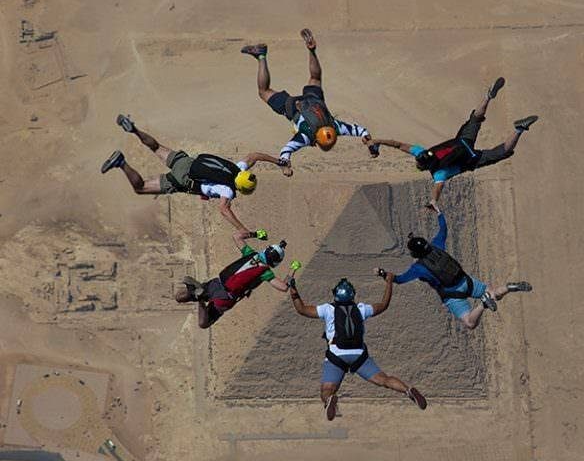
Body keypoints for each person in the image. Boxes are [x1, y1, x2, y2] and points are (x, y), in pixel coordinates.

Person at [100, 114, 291, 236]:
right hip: (183, 179)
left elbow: (254, 156)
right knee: (141, 187)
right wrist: (242, 229)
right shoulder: (227, 190)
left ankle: (133, 129)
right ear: (241, 189)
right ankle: (121, 162)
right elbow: (224, 210)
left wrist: (279, 162)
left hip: (187, 161)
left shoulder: (238, 168)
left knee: (156, 147)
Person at [370, 77, 538, 204]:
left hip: (472, 158)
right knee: (475, 119)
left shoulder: (438, 173)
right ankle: (488, 96)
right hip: (463, 141)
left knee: (502, 152)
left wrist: (434, 201)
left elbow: (438, 188)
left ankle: (519, 129)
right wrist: (377, 141)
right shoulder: (422, 151)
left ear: (425, 167)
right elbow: (398, 144)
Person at [288, 273, 427, 421]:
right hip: (359, 355)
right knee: (384, 379)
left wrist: (293, 288)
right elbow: (383, 305)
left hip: (336, 356)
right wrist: (389, 282)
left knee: (326, 390)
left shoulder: (327, 309)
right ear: (352, 295)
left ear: (335, 295)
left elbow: (301, 309)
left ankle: (329, 400)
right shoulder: (361, 309)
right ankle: (407, 390)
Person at [386, 202, 532, 330]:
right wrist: (438, 211)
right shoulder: (437, 245)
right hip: (466, 281)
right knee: (493, 293)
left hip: (452, 295)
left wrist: (384, 274)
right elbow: (443, 229)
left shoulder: (418, 268)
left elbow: (399, 280)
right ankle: (509, 287)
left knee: (470, 323)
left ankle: (483, 304)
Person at [241, 28, 378, 166]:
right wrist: (285, 164)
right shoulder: (306, 137)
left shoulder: (337, 127)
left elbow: (361, 130)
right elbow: (286, 150)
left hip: (314, 99)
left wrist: (369, 142)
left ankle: (311, 50)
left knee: (315, 78)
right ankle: (261, 56)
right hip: (292, 106)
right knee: (264, 91)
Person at [175, 232, 299, 329]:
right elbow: (284, 287)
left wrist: (256, 234)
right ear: (276, 262)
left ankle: (197, 292)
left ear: (266, 250)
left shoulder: (249, 253)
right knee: (204, 323)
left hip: (216, 282)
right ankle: (200, 299)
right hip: (226, 298)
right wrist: (293, 269)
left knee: (179, 297)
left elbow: (237, 236)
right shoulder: (265, 273)